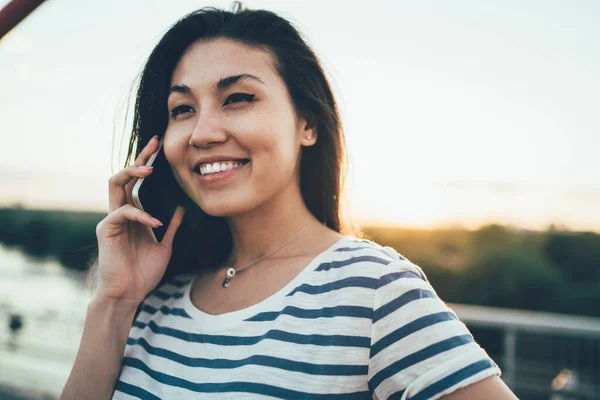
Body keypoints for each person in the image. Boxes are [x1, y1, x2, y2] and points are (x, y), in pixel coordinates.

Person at [60, 4, 518, 400]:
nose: (202, 132)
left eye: (238, 98)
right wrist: (115, 301)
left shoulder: (376, 290)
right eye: (183, 109)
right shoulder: (153, 297)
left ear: (307, 125)